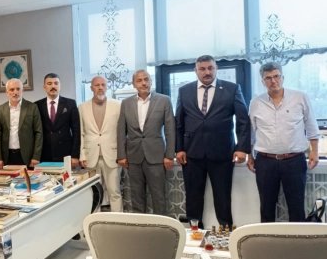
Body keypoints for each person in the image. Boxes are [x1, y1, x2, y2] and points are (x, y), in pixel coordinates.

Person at [175, 55, 251, 227]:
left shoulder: (232, 89)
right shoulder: (184, 91)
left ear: (216, 69)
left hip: (222, 154)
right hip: (192, 154)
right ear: (195, 71)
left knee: (223, 197)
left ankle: (226, 234)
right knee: (193, 197)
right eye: (202, 69)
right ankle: (195, 232)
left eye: (210, 68)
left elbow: (243, 121)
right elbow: (178, 122)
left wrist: (241, 148)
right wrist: (179, 149)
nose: (207, 72)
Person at [247, 62, 320, 222]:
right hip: (265, 161)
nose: (273, 81)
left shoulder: (300, 98)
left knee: (296, 206)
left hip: (294, 160)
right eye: (268, 78)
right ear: (263, 81)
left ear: (283, 77)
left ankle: (297, 238)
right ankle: (267, 237)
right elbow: (251, 132)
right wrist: (250, 156)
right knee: (266, 206)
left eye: (276, 76)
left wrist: (314, 151)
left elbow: (311, 126)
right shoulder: (256, 103)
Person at [117, 70, 175, 215]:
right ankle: (140, 226)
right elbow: (121, 131)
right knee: (136, 196)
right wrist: (121, 155)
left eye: (146, 79)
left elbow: (170, 130)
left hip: (156, 156)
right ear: (133, 84)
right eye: (139, 80)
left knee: (159, 196)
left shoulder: (164, 100)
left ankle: (161, 226)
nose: (143, 83)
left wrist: (169, 155)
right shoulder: (126, 103)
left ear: (150, 81)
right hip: (133, 157)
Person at [79, 76, 123, 212]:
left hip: (112, 155)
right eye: (97, 85)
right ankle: (95, 220)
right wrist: (82, 154)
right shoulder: (82, 107)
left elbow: (122, 132)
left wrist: (122, 154)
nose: (100, 87)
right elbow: (81, 133)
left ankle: (118, 220)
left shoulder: (118, 105)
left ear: (107, 86)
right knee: (94, 192)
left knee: (115, 191)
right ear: (91, 88)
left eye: (103, 85)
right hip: (90, 156)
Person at [0, 78, 43, 168]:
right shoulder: (1, 109)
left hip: (27, 156)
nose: (15, 92)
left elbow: (38, 133)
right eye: (12, 89)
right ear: (7, 92)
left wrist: (36, 156)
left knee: (28, 177)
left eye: (18, 89)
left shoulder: (32, 107)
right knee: (9, 178)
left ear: (22, 91)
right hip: (7, 156)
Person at [35, 73, 80, 165]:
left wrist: (75, 155)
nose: (53, 86)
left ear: (60, 85)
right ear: (44, 87)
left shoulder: (70, 104)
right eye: (49, 83)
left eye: (56, 83)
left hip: (65, 152)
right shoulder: (37, 105)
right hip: (45, 153)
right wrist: (35, 156)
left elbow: (76, 131)